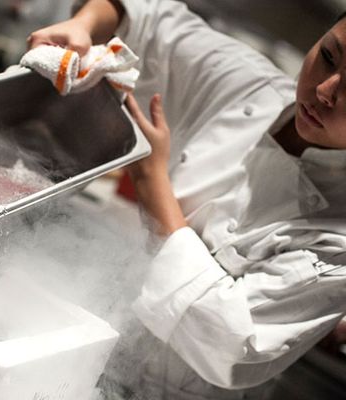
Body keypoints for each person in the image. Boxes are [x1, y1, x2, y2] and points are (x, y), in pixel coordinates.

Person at [28, 0, 346, 398]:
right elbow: (152, 17)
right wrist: (85, 24)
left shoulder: (339, 238)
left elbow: (231, 344)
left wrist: (150, 178)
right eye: (329, 56)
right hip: (97, 343)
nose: (324, 91)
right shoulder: (250, 86)